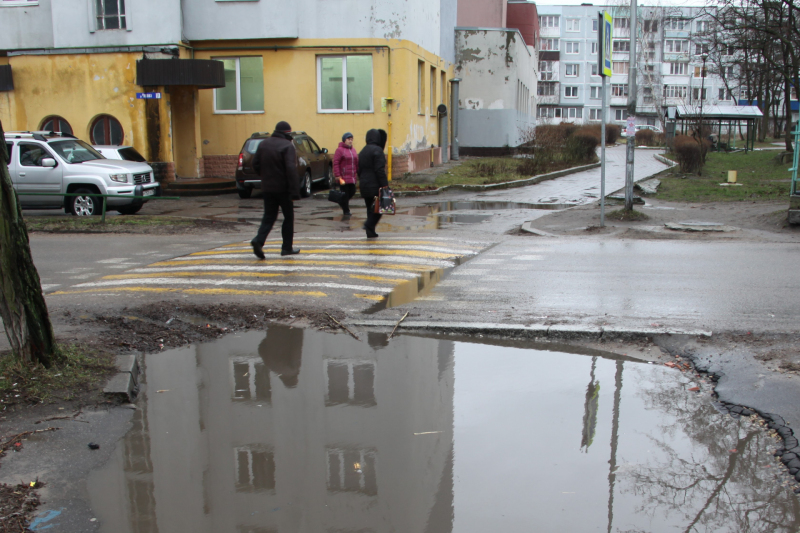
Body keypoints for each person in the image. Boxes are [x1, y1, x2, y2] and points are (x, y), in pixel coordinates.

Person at [250, 121, 301, 258]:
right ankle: (286, 248)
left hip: (267, 188)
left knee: (268, 217)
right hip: (283, 189)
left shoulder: (264, 144)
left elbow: (255, 164)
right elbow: (291, 169)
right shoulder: (287, 146)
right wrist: (295, 191)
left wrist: (265, 176)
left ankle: (258, 241)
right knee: (288, 217)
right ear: (287, 132)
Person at [358, 129, 388, 238]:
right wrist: (384, 184)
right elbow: (379, 169)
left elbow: (358, 169)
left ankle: (370, 232)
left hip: (364, 184)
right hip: (375, 184)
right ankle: (368, 225)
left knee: (370, 208)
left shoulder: (363, 151)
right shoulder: (378, 150)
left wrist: (361, 179)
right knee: (380, 208)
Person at [333, 132, 358, 215]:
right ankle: (346, 211)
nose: (350, 141)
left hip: (351, 176)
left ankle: (342, 202)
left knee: (352, 191)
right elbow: (336, 163)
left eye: (351, 139)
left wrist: (357, 172)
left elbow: (356, 162)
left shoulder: (353, 150)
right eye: (348, 139)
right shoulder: (339, 150)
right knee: (345, 193)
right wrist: (337, 175)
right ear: (344, 140)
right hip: (343, 177)